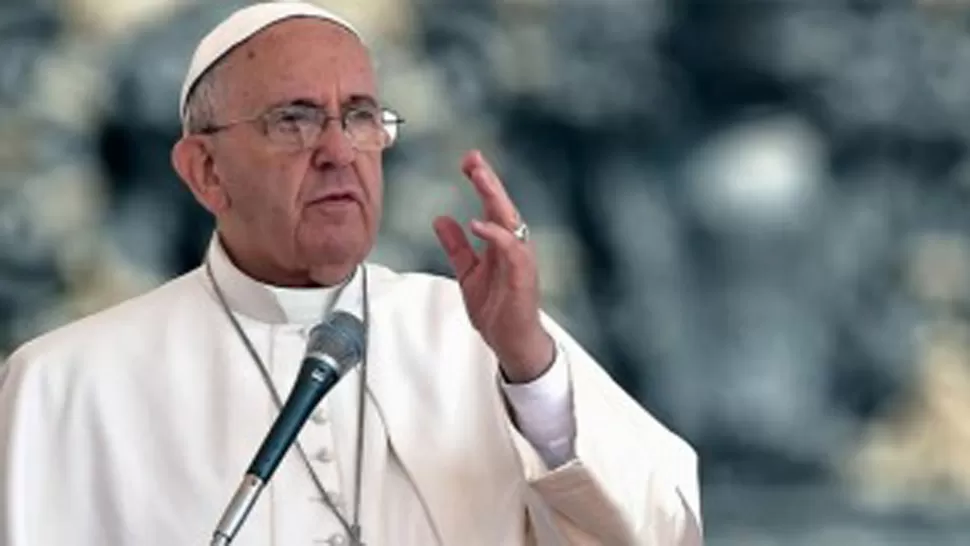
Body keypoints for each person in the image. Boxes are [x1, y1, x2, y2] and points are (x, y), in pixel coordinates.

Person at [0, 2, 702, 545]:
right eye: (294, 121)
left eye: (361, 117)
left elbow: (662, 531)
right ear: (205, 170)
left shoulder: (479, 340)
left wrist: (531, 371)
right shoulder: (66, 386)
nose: (339, 149)